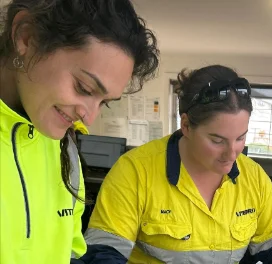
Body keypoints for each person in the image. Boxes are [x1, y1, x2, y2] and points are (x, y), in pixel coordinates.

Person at [81, 65, 272, 264]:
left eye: (240, 138)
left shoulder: (253, 178)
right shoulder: (135, 172)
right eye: (217, 140)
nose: (232, 154)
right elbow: (103, 252)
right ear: (186, 125)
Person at [0, 0, 159, 263]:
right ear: (26, 36)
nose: (89, 116)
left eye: (104, 102)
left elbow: (71, 251)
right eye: (84, 88)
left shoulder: (66, 152)